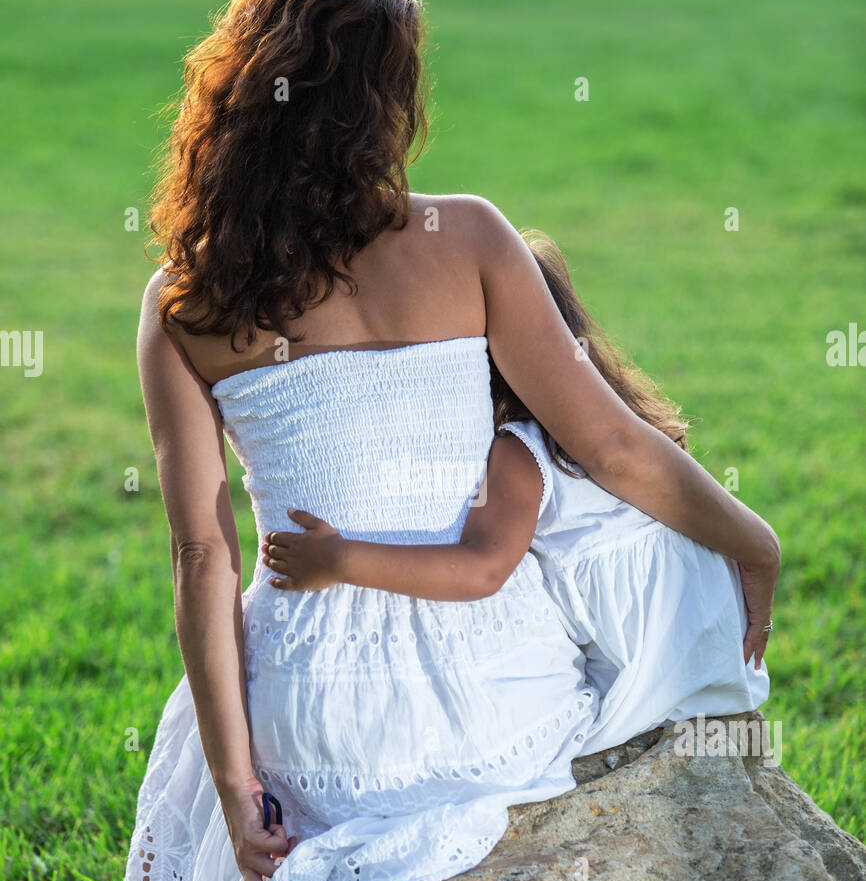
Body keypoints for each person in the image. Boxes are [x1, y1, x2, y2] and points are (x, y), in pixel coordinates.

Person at [86, 0, 778, 881]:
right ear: (384, 105)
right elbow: (609, 443)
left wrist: (237, 782)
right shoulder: (468, 238)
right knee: (613, 553)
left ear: (237, 94)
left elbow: (201, 557)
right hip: (482, 711)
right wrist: (752, 542)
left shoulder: (184, 296)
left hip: (305, 725)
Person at [261, 229, 769, 761]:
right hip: (716, 644)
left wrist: (341, 559)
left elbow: (484, 568)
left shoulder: (520, 453)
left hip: (649, 671)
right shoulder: (630, 426)